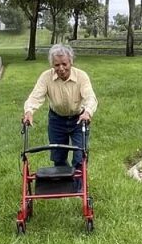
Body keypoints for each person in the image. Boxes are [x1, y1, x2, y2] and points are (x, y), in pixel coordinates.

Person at [22, 44, 97, 175]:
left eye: (64, 64)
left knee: (80, 157)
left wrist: (87, 112)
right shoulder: (46, 77)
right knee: (58, 158)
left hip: (79, 120)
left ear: (71, 62)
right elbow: (35, 96)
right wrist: (29, 112)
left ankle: (79, 191)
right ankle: (65, 185)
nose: (61, 68)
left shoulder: (81, 76)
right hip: (57, 120)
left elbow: (90, 97)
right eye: (57, 65)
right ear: (52, 65)